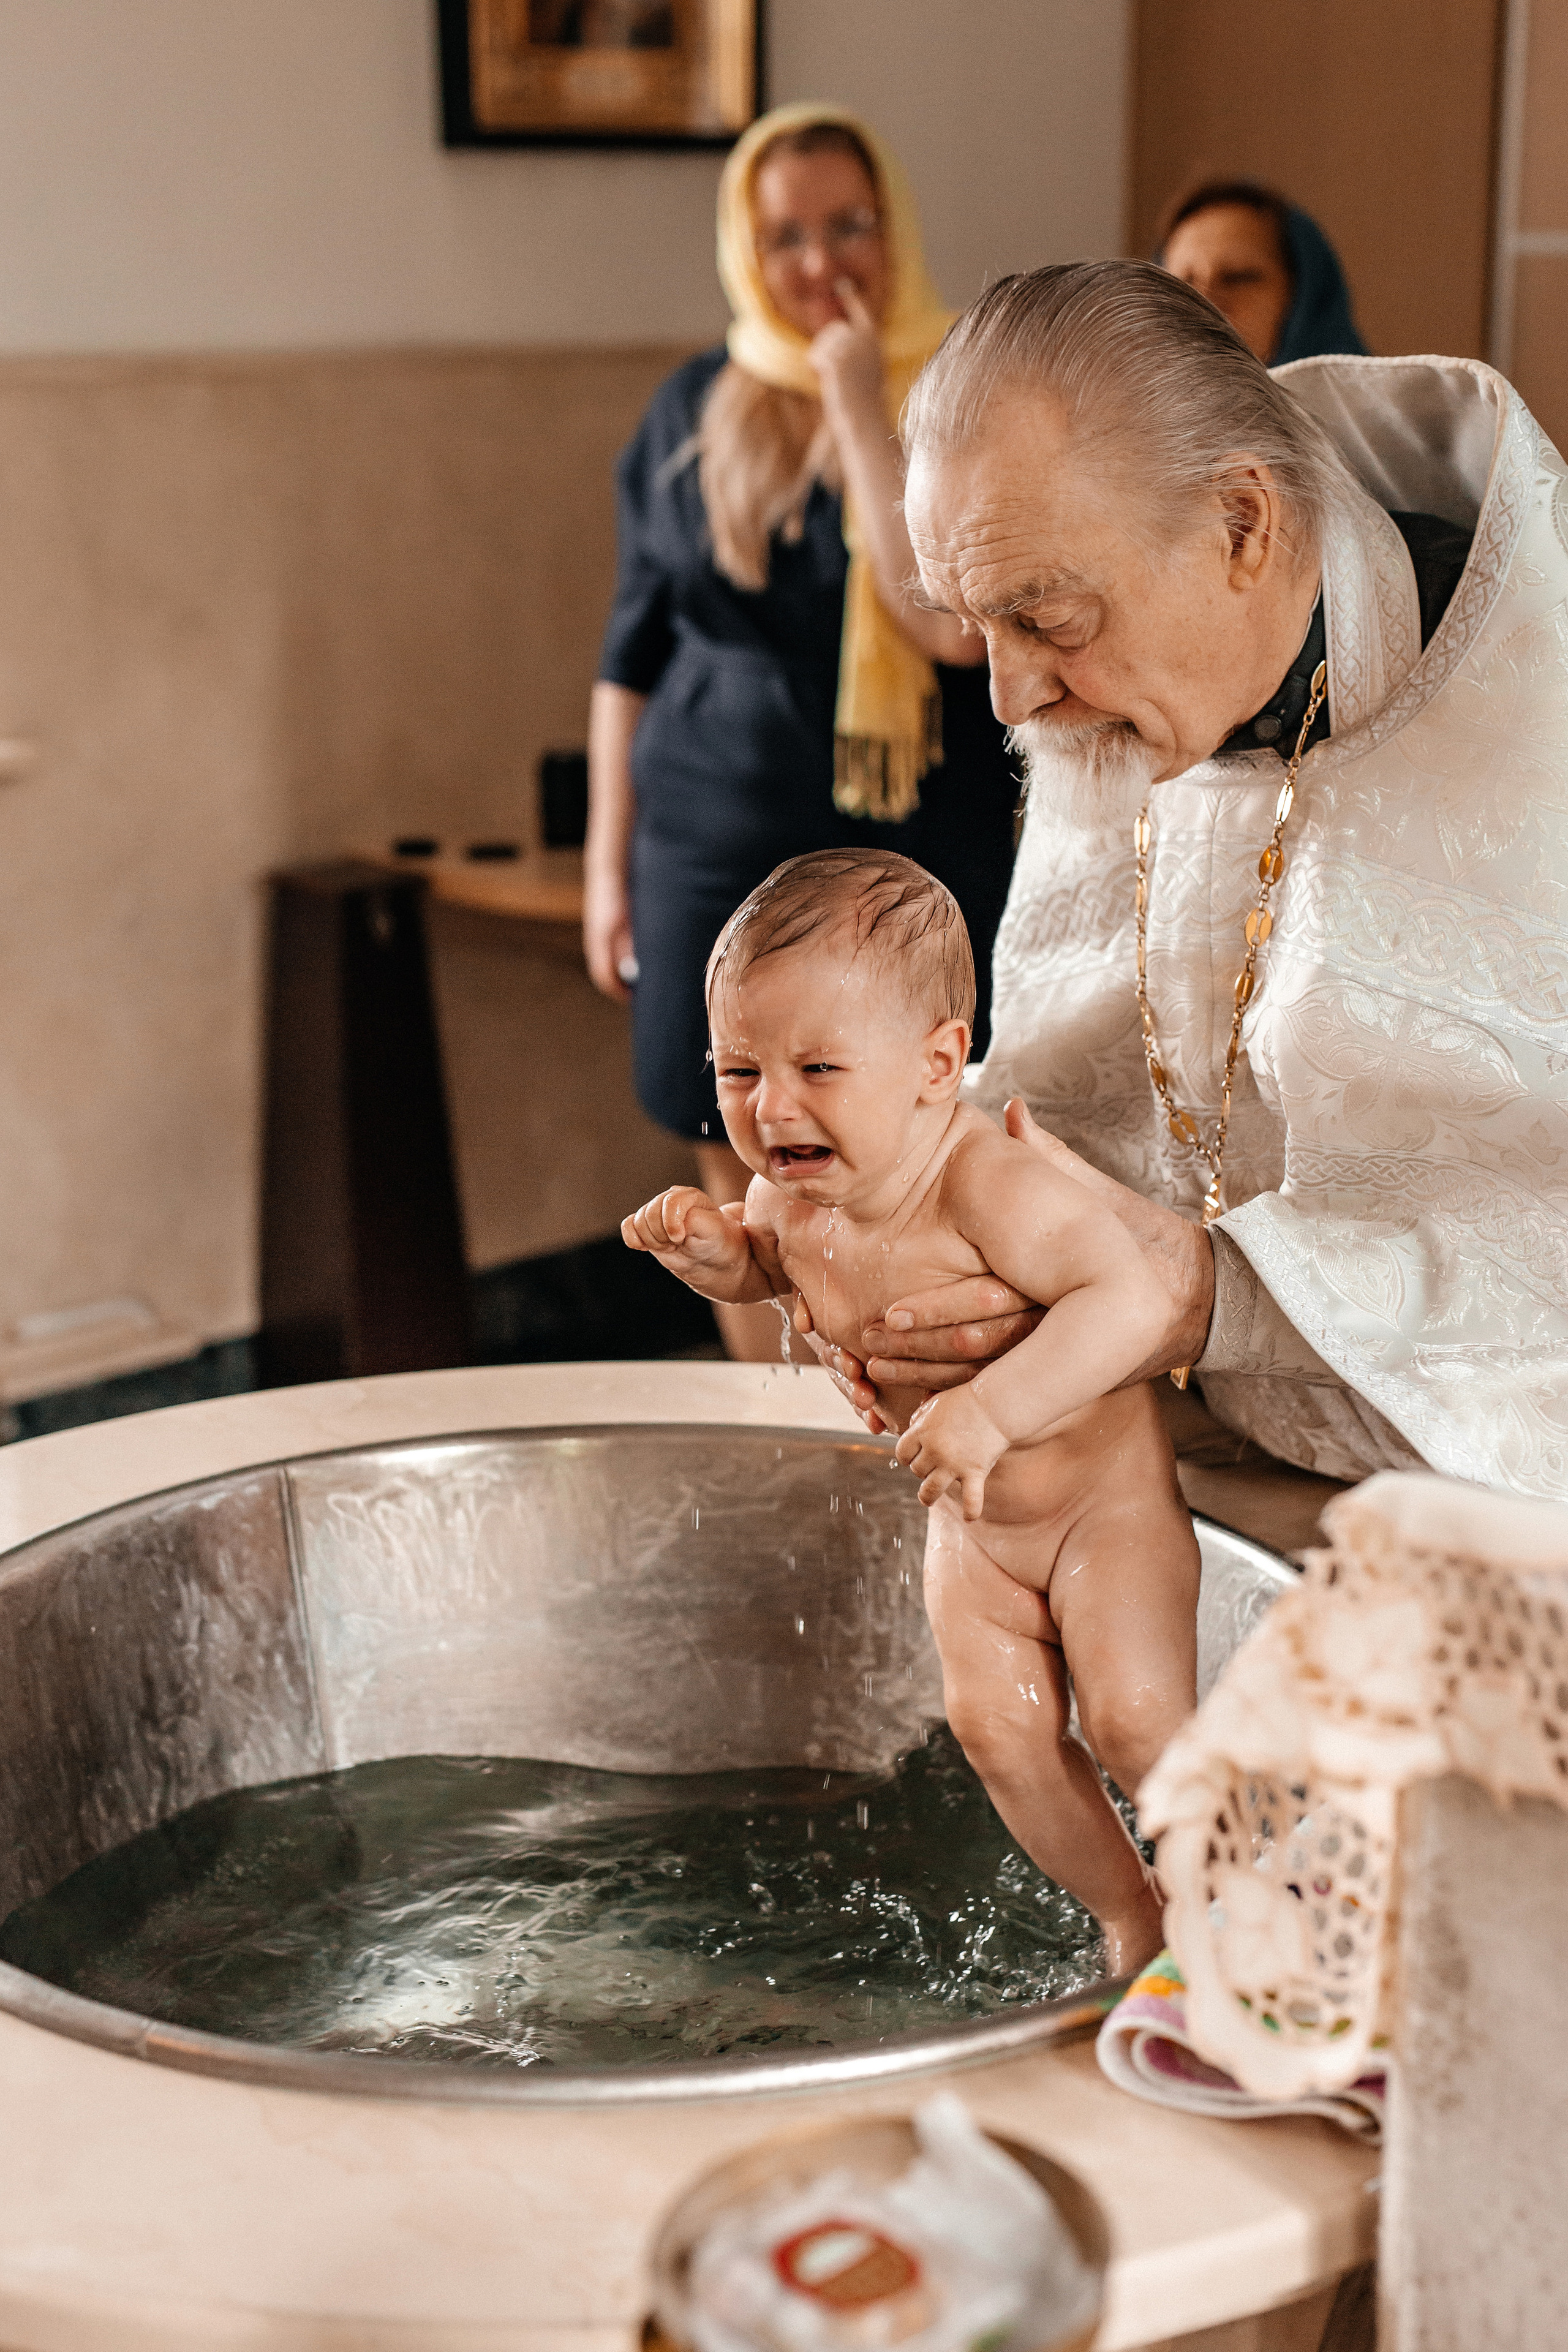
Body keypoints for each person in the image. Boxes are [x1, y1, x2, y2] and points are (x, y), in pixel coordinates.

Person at [804, 260, 1568, 1507]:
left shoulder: (1528, 714)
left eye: (1045, 622)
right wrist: (920, 1229)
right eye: (974, 622)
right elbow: (1072, 1084)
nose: (1007, 697)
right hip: (1159, 1464)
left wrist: (1206, 1297)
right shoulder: (1109, 692)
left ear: (1241, 525)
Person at [623, 850, 1200, 1971]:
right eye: (737, 1070)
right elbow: (771, 1275)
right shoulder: (785, 1193)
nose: (771, 1105)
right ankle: (1131, 1915)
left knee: (1135, 1721)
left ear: (939, 1066)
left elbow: (1132, 1295)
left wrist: (989, 1410)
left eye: (819, 1068)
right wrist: (719, 1261)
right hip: (971, 1529)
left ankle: (1229, 1913)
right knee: (1000, 1734)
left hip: (1098, 1512)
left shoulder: (987, 1183)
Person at [586, 102, 1019, 1361]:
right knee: (735, 1140)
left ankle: (907, 1413)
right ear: (743, 250)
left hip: (912, 836)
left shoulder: (953, 393)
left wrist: (851, 396)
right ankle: (775, 1420)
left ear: (895, 225)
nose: (820, 262)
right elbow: (629, 652)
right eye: (785, 237)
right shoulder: (691, 405)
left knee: (917, 1135)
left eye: (849, 224)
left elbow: (939, 618)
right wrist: (607, 866)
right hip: (708, 832)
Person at [1158, 179, 1366, 365]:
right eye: (1182, 284)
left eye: (1237, 277)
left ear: (1305, 294)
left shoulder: (1380, 409)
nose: (1203, 301)